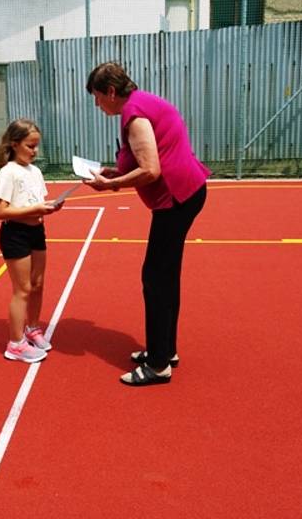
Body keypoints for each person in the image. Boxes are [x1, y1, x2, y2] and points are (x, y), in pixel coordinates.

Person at [84, 61, 210, 387]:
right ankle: (165, 351)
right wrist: (119, 172)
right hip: (185, 194)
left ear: (111, 91)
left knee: (155, 279)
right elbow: (144, 158)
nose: (97, 104)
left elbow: (151, 169)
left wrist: (112, 185)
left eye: (98, 97)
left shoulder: (134, 114)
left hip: (176, 198)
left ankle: (157, 364)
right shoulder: (142, 103)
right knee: (166, 276)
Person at [0, 119, 64, 363]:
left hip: (36, 232)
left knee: (38, 284)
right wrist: (35, 208)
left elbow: (34, 202)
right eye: (30, 146)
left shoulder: (35, 172)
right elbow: (1, 211)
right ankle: (15, 343)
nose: (34, 151)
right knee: (22, 289)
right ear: (15, 144)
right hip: (15, 234)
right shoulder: (8, 173)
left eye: (36, 146)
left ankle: (32, 328)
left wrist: (49, 208)